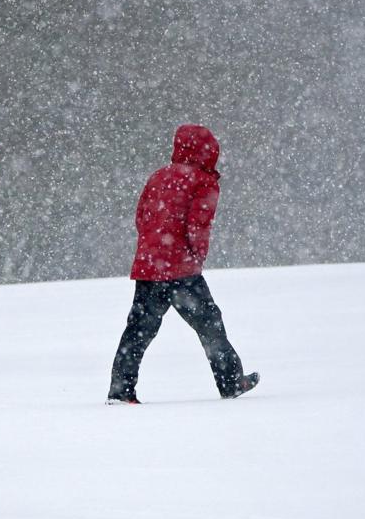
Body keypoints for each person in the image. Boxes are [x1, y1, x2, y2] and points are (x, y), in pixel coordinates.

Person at [107, 124, 259, 405]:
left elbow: (141, 219)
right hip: (181, 269)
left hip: (150, 266)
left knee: (139, 329)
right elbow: (198, 225)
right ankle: (230, 382)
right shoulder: (203, 181)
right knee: (209, 325)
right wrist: (195, 256)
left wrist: (153, 249)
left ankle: (120, 390)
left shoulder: (158, 176)